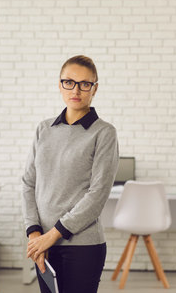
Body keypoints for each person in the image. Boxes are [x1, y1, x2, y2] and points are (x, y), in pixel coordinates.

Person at [21, 55, 119, 293]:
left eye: (85, 84)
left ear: (95, 88)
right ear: (60, 84)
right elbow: (28, 183)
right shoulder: (44, 129)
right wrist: (35, 234)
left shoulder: (104, 133)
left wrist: (52, 235)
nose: (76, 90)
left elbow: (97, 196)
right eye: (69, 82)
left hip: (82, 247)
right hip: (42, 243)